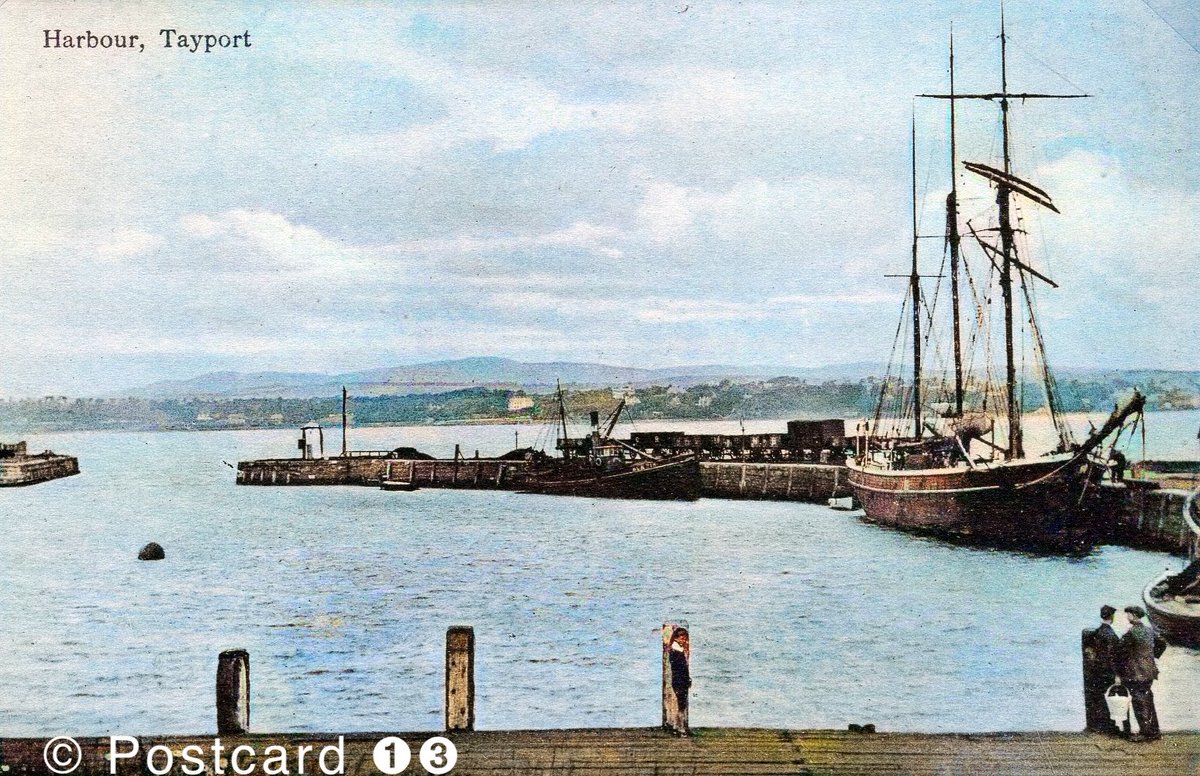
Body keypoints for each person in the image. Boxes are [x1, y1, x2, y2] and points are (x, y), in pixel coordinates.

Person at [1119, 605, 1167, 741]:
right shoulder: (1150, 631)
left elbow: (1120, 651)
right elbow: (1162, 643)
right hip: (1149, 670)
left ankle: (1146, 733)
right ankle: (1154, 730)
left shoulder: (1131, 632)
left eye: (1128, 614)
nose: (1127, 617)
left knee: (1139, 700)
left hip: (1136, 672)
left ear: (1133, 615)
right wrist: (1151, 656)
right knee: (1148, 698)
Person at [1083, 605, 1124, 735]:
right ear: (1112, 617)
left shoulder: (1096, 633)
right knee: (1108, 698)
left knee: (1098, 697)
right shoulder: (1110, 635)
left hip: (1096, 670)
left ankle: (1098, 724)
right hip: (1107, 671)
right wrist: (1117, 674)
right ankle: (1109, 725)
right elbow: (1114, 656)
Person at [667, 627, 692, 736]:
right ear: (677, 638)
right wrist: (687, 679)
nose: (684, 640)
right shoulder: (676, 651)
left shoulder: (676, 650)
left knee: (681, 703)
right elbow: (681, 668)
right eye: (683, 638)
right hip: (680, 680)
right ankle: (681, 728)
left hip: (679, 680)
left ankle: (676, 726)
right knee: (682, 704)